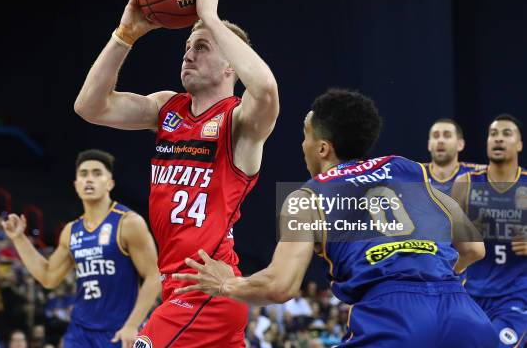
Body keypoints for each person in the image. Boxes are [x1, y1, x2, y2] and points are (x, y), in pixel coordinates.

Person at [174, 89, 496, 347]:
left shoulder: (307, 198)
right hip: (464, 316)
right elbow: (472, 248)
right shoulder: (409, 168)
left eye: (305, 135)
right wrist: (426, 276)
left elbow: (280, 286)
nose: (302, 145)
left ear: (323, 148)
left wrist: (226, 283)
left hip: (393, 321)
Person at [74, 0, 279, 347]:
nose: (188, 55)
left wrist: (210, 19)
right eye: (186, 47)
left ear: (230, 66)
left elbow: (266, 88)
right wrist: (125, 35)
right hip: (179, 289)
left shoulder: (240, 123)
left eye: (201, 47)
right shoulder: (166, 108)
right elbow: (90, 107)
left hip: (204, 291)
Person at [2, 149, 160, 347]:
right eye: (83, 174)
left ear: (110, 183)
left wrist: (132, 324)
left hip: (118, 330)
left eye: (97, 173)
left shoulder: (128, 223)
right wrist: (19, 239)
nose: (89, 179)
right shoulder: (71, 231)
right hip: (79, 331)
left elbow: (154, 276)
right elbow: (48, 277)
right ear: (76, 185)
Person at [452, 114, 527, 347]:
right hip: (469, 294)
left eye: (507, 134)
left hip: (516, 297)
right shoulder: (465, 184)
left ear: (519, 144)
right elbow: (445, 241)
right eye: (493, 134)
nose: (498, 139)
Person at [424, 118, 484, 195]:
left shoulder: (477, 174)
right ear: (429, 145)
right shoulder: (417, 173)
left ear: (460, 144)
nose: (440, 141)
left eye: (447, 136)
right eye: (436, 136)